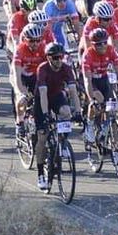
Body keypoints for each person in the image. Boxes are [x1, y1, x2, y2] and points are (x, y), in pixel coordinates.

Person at [32, 42, 82, 190]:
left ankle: (63, 141)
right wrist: (46, 115)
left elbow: (73, 92)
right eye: (55, 57)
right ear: (48, 58)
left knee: (66, 111)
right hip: (42, 99)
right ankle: (41, 173)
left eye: (61, 57)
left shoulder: (66, 68)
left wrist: (78, 112)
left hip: (56, 96)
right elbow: (42, 94)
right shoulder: (43, 69)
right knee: (42, 136)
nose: (59, 60)